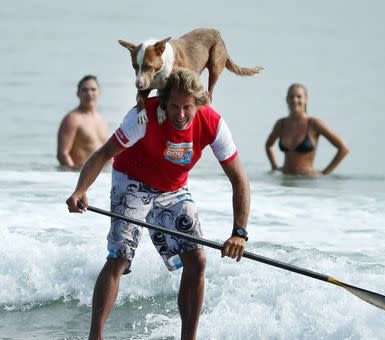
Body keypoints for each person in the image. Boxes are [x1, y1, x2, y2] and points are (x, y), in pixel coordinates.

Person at [66, 68, 250, 340]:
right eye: (174, 106)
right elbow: (104, 153)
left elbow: (239, 180)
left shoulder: (213, 123)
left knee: (197, 259)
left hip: (173, 189)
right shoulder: (143, 117)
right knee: (120, 256)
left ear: (198, 103)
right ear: (164, 102)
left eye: (188, 107)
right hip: (131, 181)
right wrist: (80, 189)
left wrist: (239, 233)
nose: (181, 114)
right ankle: (96, 336)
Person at [265, 83, 349, 175]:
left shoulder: (314, 124)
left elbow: (343, 148)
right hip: (285, 182)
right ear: (286, 99)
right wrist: (274, 167)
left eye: (299, 96)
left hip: (307, 183)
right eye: (291, 96)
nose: (295, 100)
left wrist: (325, 173)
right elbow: (269, 145)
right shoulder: (281, 124)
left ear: (306, 99)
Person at [57, 75, 108, 169]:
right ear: (78, 93)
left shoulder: (101, 120)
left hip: (101, 176)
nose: (89, 93)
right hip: (79, 174)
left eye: (93, 89)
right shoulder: (72, 119)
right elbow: (62, 154)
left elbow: (108, 152)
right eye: (85, 90)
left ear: (99, 92)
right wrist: (74, 175)